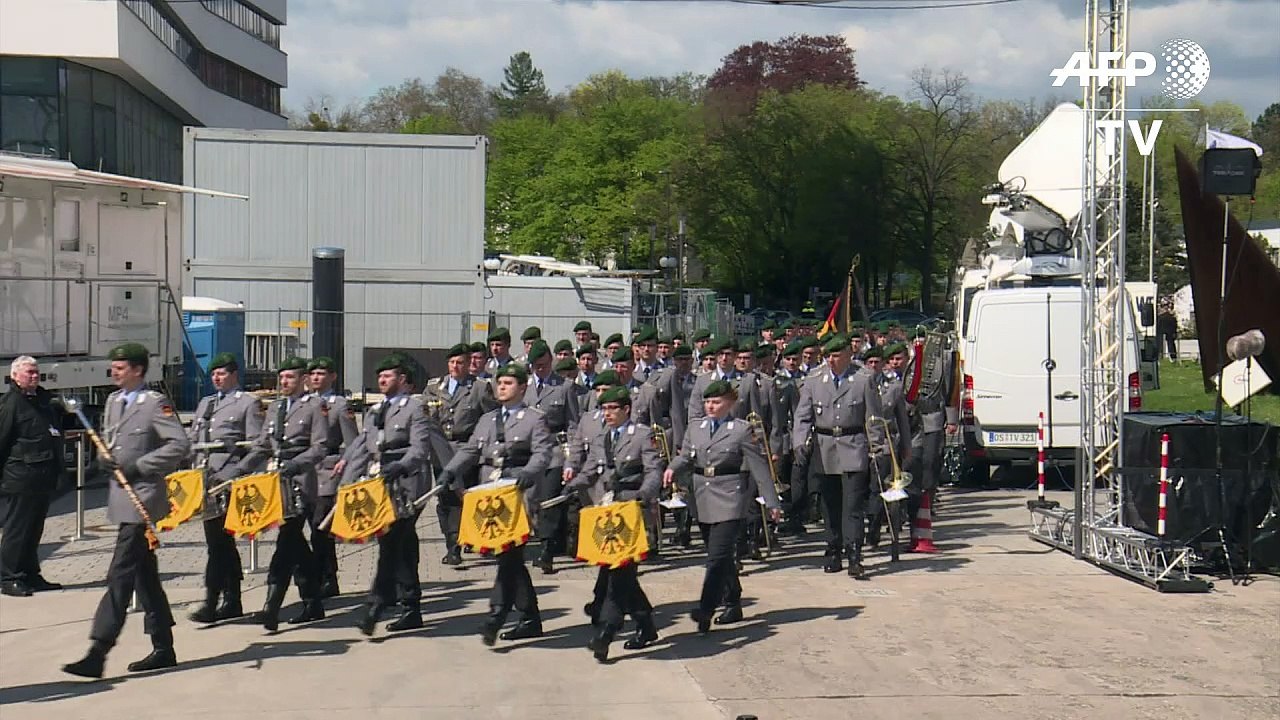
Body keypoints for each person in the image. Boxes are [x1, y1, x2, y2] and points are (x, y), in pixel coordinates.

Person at [63, 343, 189, 678]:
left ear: (137, 370)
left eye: (120, 368)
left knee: (119, 574)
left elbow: (179, 444)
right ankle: (163, 646)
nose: (114, 372)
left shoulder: (154, 404)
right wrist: (103, 459)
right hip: (122, 498)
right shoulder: (113, 401)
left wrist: (140, 466)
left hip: (143, 499)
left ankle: (98, 651)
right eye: (114, 367)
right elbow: (111, 442)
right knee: (144, 576)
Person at [439, 364, 554, 646]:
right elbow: (471, 450)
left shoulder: (534, 419)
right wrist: (450, 470)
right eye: (499, 383)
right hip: (490, 493)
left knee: (509, 555)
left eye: (508, 383)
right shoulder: (487, 419)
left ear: (522, 388)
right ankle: (529, 618)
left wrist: (528, 472)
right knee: (508, 558)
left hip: (516, 493)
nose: (501, 387)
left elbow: (543, 453)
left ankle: (497, 614)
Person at [336, 354, 442, 635]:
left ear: (402, 379)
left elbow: (420, 448)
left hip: (407, 484)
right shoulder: (375, 411)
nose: (382, 380)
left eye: (388, 375)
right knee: (400, 546)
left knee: (392, 542)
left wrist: (401, 466)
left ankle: (376, 606)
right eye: (380, 376)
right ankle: (411, 607)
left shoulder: (415, 408)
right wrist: (346, 485)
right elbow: (363, 449)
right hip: (379, 485)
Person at [664, 381, 781, 633]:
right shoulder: (696, 427)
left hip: (730, 496)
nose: (710, 406)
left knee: (716, 556)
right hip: (702, 497)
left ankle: (706, 608)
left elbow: (759, 467)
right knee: (721, 555)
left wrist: (772, 501)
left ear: (730, 403)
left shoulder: (741, 429)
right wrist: (672, 468)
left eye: (716, 402)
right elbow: (686, 457)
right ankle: (732, 601)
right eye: (707, 401)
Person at [567, 386, 662, 661]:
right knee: (622, 575)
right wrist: (572, 486)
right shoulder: (601, 438)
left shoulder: (642, 435)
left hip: (632, 511)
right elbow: (591, 470)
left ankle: (606, 633)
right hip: (607, 513)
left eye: (612, 409)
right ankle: (646, 625)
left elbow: (653, 470)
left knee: (618, 578)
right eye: (604, 409)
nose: (607, 414)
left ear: (626, 410)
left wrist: (645, 493)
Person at [233, 357, 329, 631]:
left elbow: (320, 447)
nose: (284, 382)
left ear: (303, 380)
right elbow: (263, 445)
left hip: (300, 481)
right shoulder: (276, 407)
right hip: (275, 482)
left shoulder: (315, 406)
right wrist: (239, 469)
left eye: (290, 377)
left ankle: (271, 608)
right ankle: (313, 602)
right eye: (282, 377)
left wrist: (295, 464)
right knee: (296, 544)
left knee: (286, 542)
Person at [791, 335, 884, 579]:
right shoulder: (814, 380)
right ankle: (833, 549)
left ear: (848, 355)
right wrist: (800, 442)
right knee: (830, 504)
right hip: (825, 449)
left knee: (853, 505)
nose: (831, 360)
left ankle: (854, 554)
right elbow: (803, 416)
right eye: (828, 356)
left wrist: (876, 448)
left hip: (853, 445)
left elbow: (873, 417)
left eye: (836, 355)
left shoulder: (863, 379)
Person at [187, 353, 263, 623]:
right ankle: (233, 599)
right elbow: (194, 440)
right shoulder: (206, 404)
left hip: (228, 482)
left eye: (221, 373)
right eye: (213, 374)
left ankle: (211, 601)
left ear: (234, 374)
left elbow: (258, 446)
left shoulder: (247, 403)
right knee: (220, 543)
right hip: (205, 482)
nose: (216, 378)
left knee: (218, 544)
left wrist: (236, 472)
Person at [424, 343, 497, 567]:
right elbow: (424, 417)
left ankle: (464, 541)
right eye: (452, 362)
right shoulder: (434, 387)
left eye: (460, 362)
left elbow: (491, 418)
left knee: (464, 499)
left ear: (468, 364)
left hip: (466, 451)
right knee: (445, 499)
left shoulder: (478, 388)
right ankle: (452, 544)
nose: (455, 366)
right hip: (440, 450)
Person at [0, 356, 65, 597]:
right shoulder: (11, 404)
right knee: (17, 530)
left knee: (34, 529)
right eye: (29, 372)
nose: (35, 376)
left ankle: (30, 574)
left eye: (37, 372)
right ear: (15, 376)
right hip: (20, 477)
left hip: (42, 476)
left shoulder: (42, 401)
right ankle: (9, 577)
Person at [523, 340, 582, 573]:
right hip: (528, 452)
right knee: (530, 501)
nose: (542, 369)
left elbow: (573, 424)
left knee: (549, 501)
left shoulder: (564, 387)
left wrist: (572, 456)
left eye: (545, 365)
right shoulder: (523, 387)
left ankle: (546, 551)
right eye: (537, 366)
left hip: (553, 451)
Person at [306, 356, 358, 597]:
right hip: (305, 471)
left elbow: (353, 443)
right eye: (313, 374)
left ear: (333, 377)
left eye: (321, 373)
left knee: (321, 525)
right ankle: (319, 574)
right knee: (309, 525)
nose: (316, 377)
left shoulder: (339, 406)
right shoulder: (304, 403)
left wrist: (345, 464)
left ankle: (327, 577)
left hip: (328, 470)